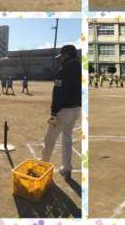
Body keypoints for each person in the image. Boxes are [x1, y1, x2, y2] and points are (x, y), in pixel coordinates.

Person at [42, 45, 81, 180]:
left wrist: (54, 113)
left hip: (63, 110)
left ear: (67, 55)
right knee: (67, 138)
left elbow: (58, 93)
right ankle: (67, 168)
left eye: (62, 56)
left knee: (49, 139)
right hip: (76, 109)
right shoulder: (81, 68)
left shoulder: (63, 70)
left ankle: (43, 166)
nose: (61, 59)